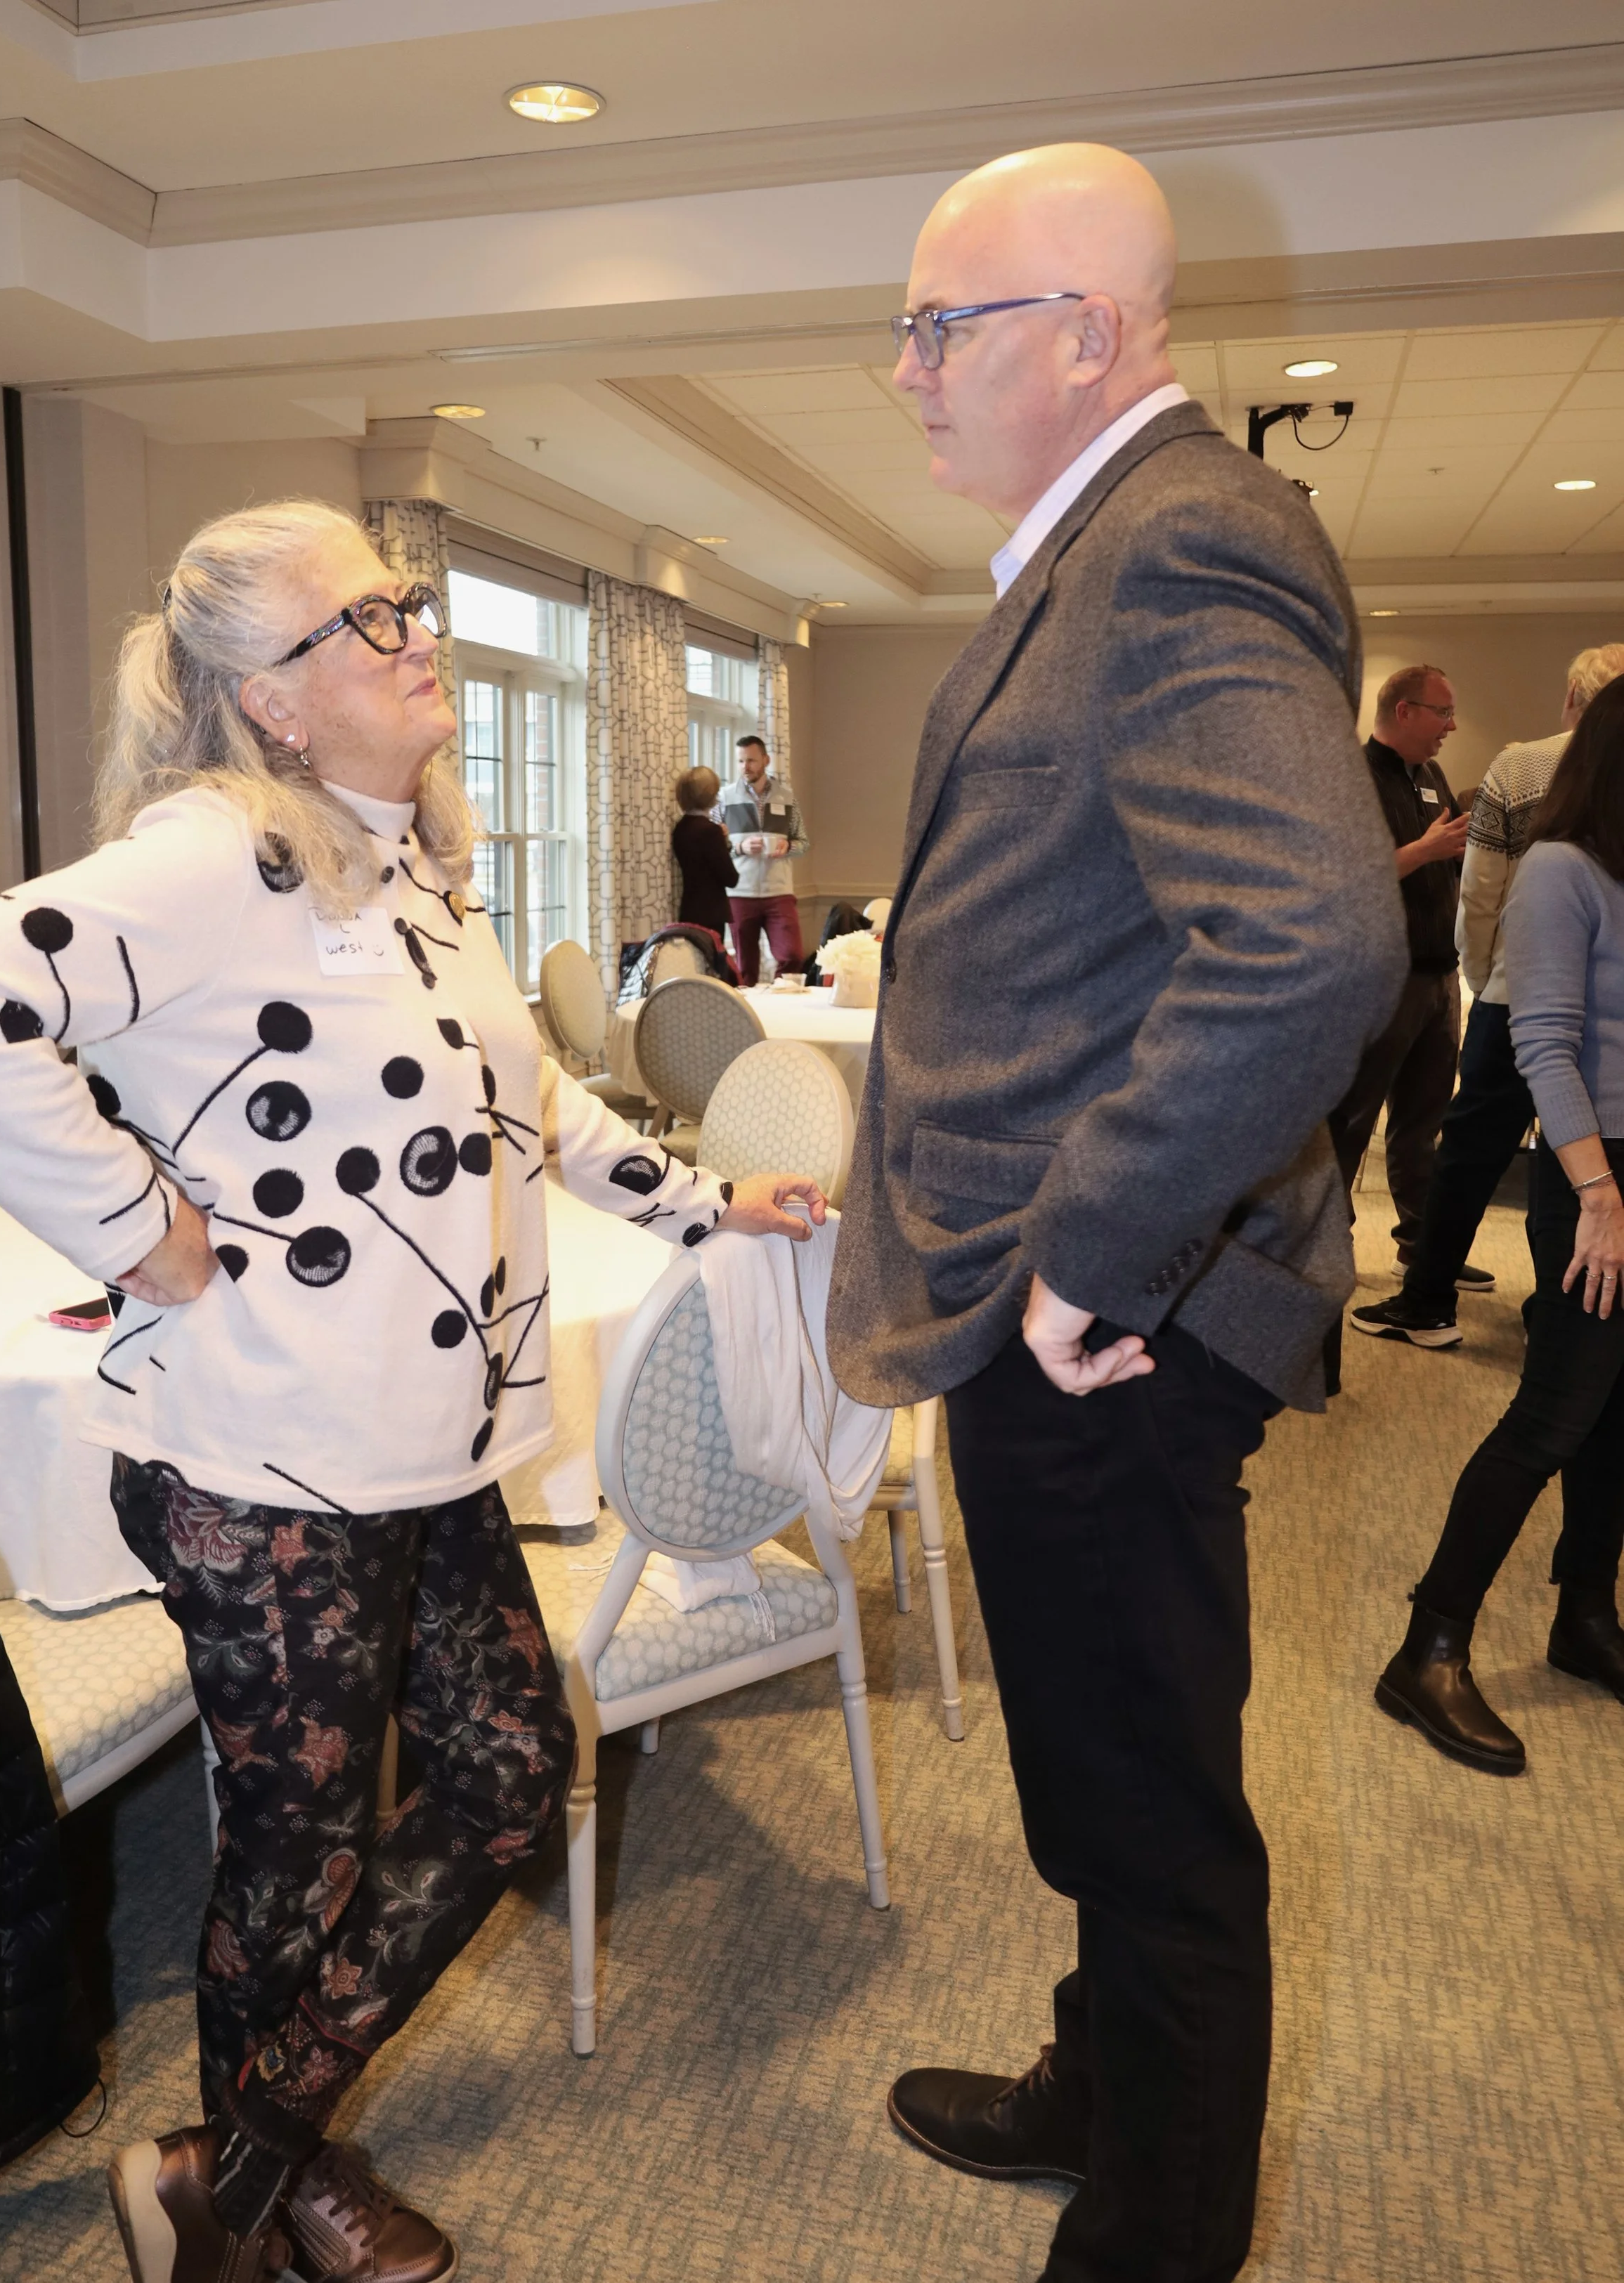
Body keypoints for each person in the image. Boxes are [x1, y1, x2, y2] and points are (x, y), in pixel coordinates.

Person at [0, 500, 826, 2283]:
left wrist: (712, 1196)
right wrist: (137, 1225)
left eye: (406, 603)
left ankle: (229, 2160)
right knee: (296, 1865)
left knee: (511, 1773)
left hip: (419, 1441)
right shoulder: (216, 857)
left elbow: (527, 1113)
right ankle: (265, 2181)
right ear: (271, 702)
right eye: (364, 620)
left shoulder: (409, 872)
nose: (417, 634)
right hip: (262, 1460)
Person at [827, 144, 1404, 2283]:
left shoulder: (1174, 544)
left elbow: (1309, 942)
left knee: (1148, 1806)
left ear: (1080, 334)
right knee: (1097, 1756)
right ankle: (1100, 2089)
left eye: (932, 323)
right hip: (1056, 1297)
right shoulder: (1101, 552)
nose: (899, 372)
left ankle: (1156, 2234)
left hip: (1102, 1316)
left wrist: (1085, 1249)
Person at [1376, 676, 1624, 1773]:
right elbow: (1544, 1041)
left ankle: (1585, 1617)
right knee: (1555, 1412)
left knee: (1618, 1414)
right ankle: (1429, 1643)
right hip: (1592, 1178)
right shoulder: (1562, 874)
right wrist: (1600, 1196)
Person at [1355, 644, 1624, 1348]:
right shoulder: (1370, 776)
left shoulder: (1521, 766)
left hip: (1513, 997)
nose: (1449, 724)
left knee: (1467, 1150)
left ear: (1574, 699)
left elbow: (1479, 894)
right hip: (1598, 1014)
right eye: (1441, 712)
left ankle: (1427, 1300)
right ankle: (1561, 1313)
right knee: (1579, 1164)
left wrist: (1479, 975)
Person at [1325, 665, 1493, 1294]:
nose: (1451, 726)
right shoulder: (1351, 779)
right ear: (1403, 712)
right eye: (1442, 713)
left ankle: (1421, 1249)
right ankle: (1327, 1246)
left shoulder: (1432, 777)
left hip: (1438, 976)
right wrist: (1424, 850)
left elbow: (1444, 852)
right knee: (1351, 1120)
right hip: (1379, 979)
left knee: (1423, 1121)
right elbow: (1347, 879)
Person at [717, 734, 808, 984]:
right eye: (740, 761)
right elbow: (716, 847)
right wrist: (740, 847)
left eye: (751, 761)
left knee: (792, 956)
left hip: (779, 892)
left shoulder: (787, 798)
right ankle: (750, 1018)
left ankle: (784, 1009)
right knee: (745, 969)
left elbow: (803, 843)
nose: (745, 767)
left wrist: (788, 847)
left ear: (766, 760)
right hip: (740, 893)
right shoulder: (724, 798)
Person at [671, 763, 736, 939]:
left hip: (689, 910)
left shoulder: (680, 828)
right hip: (711, 913)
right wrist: (725, 842)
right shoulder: (711, 831)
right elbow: (731, 878)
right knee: (711, 965)